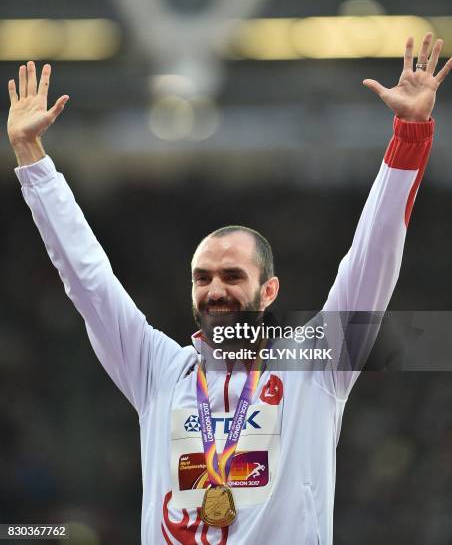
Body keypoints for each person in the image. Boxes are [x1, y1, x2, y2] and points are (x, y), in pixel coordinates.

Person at [6, 33, 452, 545]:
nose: (215, 289)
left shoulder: (315, 363)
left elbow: (371, 260)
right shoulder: (155, 370)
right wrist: (31, 158)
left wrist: (410, 134)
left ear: (269, 291)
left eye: (233, 276)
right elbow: (88, 280)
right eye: (203, 277)